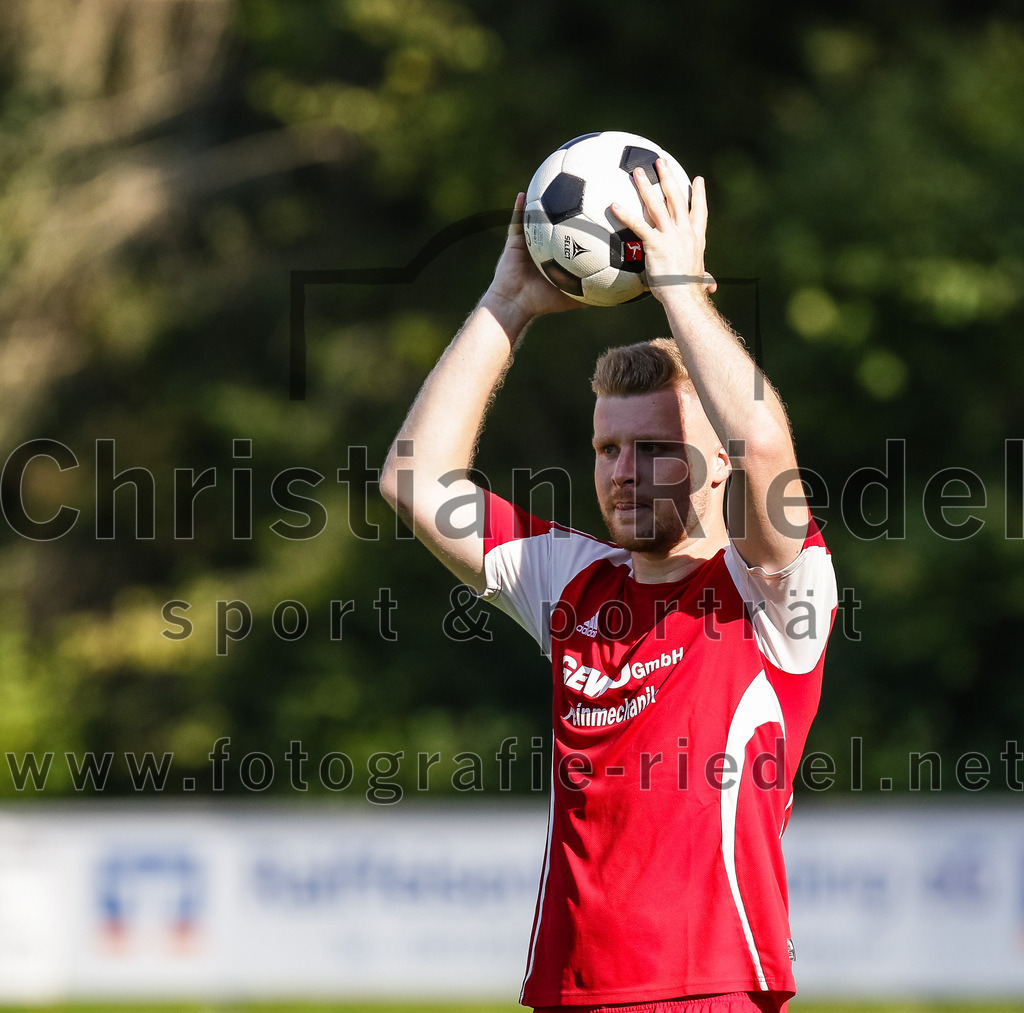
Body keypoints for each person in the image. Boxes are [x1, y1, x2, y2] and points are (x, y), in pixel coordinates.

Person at [379, 159, 838, 1013]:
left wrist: (678, 293)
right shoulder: (574, 581)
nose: (623, 474)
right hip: (566, 986)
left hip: (711, 988)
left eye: (655, 449)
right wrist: (505, 306)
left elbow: (766, 448)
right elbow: (415, 481)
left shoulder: (776, 595)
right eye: (606, 450)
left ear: (714, 468)